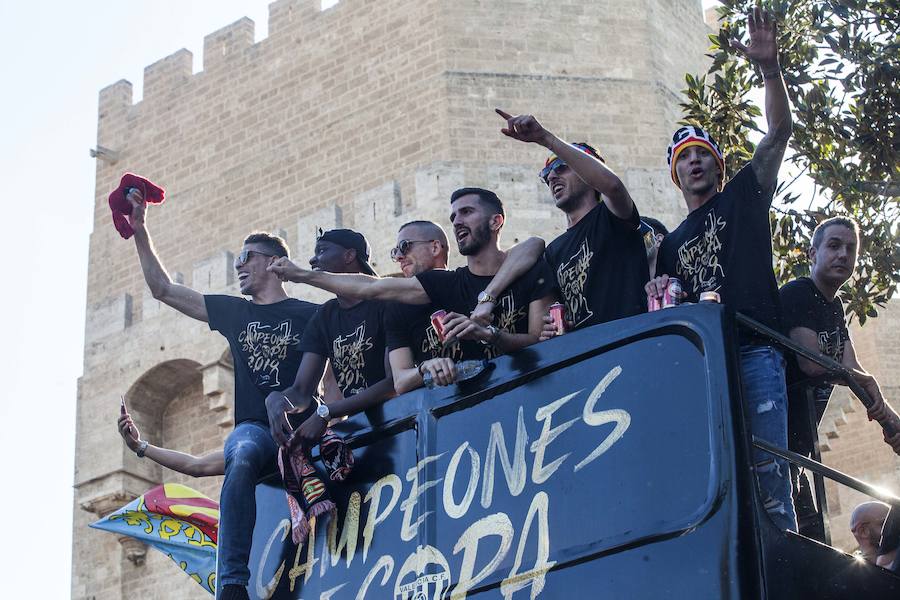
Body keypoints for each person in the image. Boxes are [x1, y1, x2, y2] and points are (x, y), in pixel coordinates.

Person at [125, 189, 318, 600]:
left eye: (247, 257)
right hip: (255, 431)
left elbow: (325, 386)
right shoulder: (236, 313)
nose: (238, 265)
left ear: (272, 263)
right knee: (243, 449)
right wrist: (141, 230)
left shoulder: (310, 316)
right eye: (237, 259)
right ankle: (231, 584)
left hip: (303, 428)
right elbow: (163, 289)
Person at [647, 8, 797, 530]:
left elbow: (778, 132)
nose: (694, 161)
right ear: (674, 173)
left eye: (702, 153)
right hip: (704, 363)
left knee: (769, 474)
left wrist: (769, 69)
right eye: (683, 156)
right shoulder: (670, 246)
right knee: (719, 479)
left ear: (718, 164)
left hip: (755, 347)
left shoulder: (744, 196)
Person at [268, 188, 555, 388]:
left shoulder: (530, 269)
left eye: (466, 212)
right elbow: (373, 288)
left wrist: (489, 324)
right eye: (453, 216)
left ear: (496, 221)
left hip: (535, 392)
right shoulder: (444, 285)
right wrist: (303, 275)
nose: (457, 222)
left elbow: (543, 343)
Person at [493, 109, 649, 341]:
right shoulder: (555, 251)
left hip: (629, 343)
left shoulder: (612, 217)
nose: (552, 177)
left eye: (562, 167)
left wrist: (545, 138)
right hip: (587, 357)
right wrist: (549, 330)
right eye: (547, 174)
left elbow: (613, 187)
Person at [265, 229, 397, 450]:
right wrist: (279, 400)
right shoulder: (325, 316)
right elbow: (301, 392)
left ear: (349, 256)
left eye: (322, 250)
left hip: (399, 421)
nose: (313, 259)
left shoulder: (388, 302)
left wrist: (327, 413)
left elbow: (393, 384)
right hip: (359, 432)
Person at [781, 216, 899, 452]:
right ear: (812, 254)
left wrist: (893, 423)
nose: (844, 254)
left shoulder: (834, 306)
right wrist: (865, 380)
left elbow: (851, 366)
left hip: (801, 442)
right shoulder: (798, 293)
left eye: (850, 248)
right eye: (834, 246)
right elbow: (811, 364)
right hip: (775, 434)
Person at [384, 219, 545, 392]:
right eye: (395, 252)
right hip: (450, 408)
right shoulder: (397, 308)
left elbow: (534, 243)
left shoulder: (468, 283)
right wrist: (425, 368)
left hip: (518, 388)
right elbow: (399, 382)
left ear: (435, 248)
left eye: (404, 246)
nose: (399, 256)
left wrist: (489, 314)